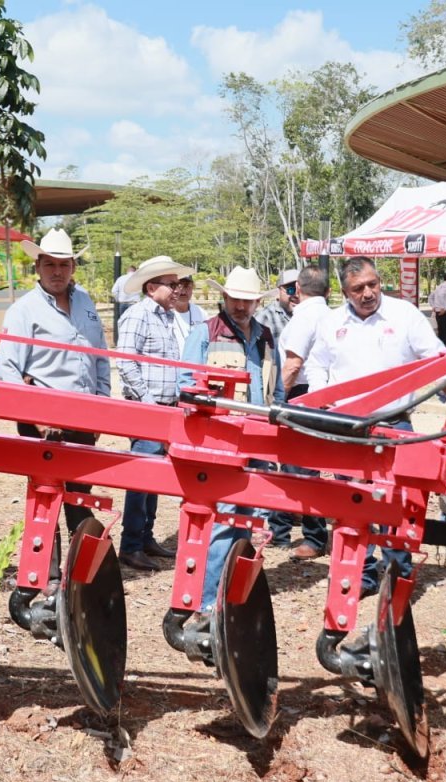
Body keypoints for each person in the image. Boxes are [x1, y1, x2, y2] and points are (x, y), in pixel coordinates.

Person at [305, 256, 445, 598]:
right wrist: (318, 398)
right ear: (344, 291)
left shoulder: (404, 315)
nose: (368, 293)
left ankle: (398, 573)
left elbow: (436, 357)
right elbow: (316, 364)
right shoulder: (331, 322)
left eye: (372, 284)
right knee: (351, 501)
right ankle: (361, 573)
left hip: (394, 424)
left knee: (397, 502)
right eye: (358, 289)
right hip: (347, 427)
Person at [0, 227, 108, 557]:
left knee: (80, 493)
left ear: (73, 267)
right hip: (44, 419)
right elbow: (8, 368)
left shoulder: (85, 302)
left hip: (84, 416)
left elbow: (99, 353)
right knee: (45, 497)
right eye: (50, 265)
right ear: (38, 267)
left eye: (64, 265)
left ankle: (79, 570)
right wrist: (34, 416)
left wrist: (102, 406)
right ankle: (46, 571)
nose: (57, 272)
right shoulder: (24, 310)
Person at [178, 266, 284, 614]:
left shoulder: (266, 337)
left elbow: (276, 391)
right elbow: (185, 383)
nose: (241, 306)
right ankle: (208, 601)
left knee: (250, 519)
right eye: (236, 299)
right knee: (224, 520)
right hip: (222, 442)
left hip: (257, 439)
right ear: (224, 298)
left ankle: (232, 597)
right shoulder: (205, 333)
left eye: (248, 301)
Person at [115, 255, 196, 571]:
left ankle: (143, 537)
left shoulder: (163, 316)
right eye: (172, 284)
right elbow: (125, 362)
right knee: (143, 474)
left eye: (177, 284)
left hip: (164, 406)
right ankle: (132, 543)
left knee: (154, 475)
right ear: (152, 287)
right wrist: (149, 400)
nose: (177, 290)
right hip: (149, 407)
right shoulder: (139, 316)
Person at [269, 264, 332, 556]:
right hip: (321, 392)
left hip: (299, 393)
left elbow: (293, 365)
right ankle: (281, 530)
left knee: (298, 467)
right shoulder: (332, 316)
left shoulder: (304, 319)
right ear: (328, 291)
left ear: (298, 290)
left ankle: (312, 537)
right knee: (298, 465)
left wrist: (275, 400)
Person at [254, 268, 299, 343]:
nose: (297, 295)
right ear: (279, 292)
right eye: (291, 290)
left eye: (301, 290)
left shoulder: (310, 315)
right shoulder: (264, 318)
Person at [170, 274, 208, 353]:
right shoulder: (165, 313)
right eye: (180, 286)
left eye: (187, 286)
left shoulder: (201, 313)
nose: (183, 292)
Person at [429, 270, 446, 346]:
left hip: (438, 313)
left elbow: (430, 297)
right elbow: (441, 295)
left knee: (441, 335)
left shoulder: (440, 286)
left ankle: (440, 352)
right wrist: (443, 307)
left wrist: (433, 306)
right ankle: (445, 352)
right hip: (444, 313)